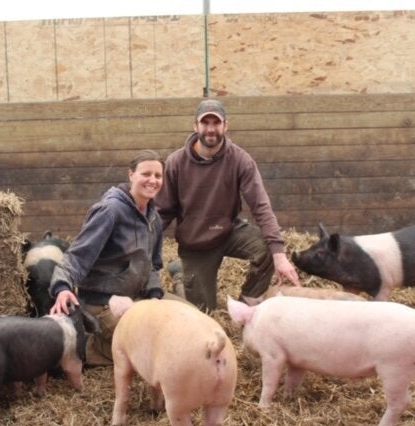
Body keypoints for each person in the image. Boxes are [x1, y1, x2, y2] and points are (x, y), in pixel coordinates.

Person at [155, 99, 301, 311]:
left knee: (268, 248)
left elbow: (261, 206)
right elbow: (162, 211)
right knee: (203, 313)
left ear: (226, 125)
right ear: (195, 126)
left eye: (217, 123)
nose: (211, 129)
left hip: (228, 231)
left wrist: (279, 256)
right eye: (205, 123)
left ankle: (246, 305)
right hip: (195, 244)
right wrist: (142, 243)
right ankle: (180, 276)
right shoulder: (176, 162)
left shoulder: (240, 160)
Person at [49, 149, 185, 366]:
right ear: (131, 175)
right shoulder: (110, 211)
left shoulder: (154, 218)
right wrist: (62, 287)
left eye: (158, 176)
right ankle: (86, 346)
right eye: (146, 174)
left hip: (137, 297)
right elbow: (77, 255)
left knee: (190, 319)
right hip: (102, 302)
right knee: (148, 344)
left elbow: (152, 265)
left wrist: (154, 296)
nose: (152, 180)